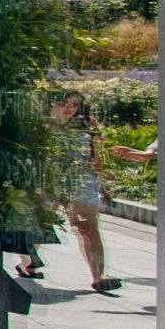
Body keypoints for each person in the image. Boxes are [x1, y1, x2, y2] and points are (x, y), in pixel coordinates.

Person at [45, 93, 123, 294]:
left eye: (75, 105)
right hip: (51, 179)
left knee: (88, 228)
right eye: (65, 104)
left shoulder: (88, 125)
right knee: (39, 222)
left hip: (83, 181)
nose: (71, 109)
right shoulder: (45, 125)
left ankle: (98, 276)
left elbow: (97, 160)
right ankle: (28, 261)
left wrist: (102, 183)